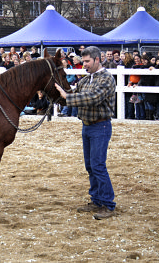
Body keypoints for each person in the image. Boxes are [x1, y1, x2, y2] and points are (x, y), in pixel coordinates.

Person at [55, 46, 116, 220]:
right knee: (91, 166)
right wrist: (59, 93)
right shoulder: (87, 79)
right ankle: (97, 200)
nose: (84, 65)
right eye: (84, 61)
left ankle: (108, 204)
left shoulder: (106, 79)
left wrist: (67, 97)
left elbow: (93, 98)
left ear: (97, 60)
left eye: (87, 61)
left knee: (98, 165)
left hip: (100, 126)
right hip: (88, 126)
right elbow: (73, 92)